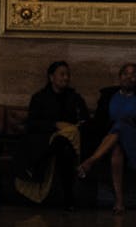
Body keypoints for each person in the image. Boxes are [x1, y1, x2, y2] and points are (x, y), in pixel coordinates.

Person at [77, 62, 136, 214]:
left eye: (133, 74)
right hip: (112, 140)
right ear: (120, 77)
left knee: (122, 126)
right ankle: (119, 201)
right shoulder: (108, 97)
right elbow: (99, 122)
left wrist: (133, 123)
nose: (129, 77)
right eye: (125, 74)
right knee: (117, 148)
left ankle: (90, 161)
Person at [14, 61, 89, 207]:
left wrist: (71, 128)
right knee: (62, 148)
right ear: (51, 77)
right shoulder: (40, 98)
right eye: (62, 74)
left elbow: (84, 120)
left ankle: (37, 164)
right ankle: (69, 198)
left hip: (70, 141)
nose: (66, 78)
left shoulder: (75, 98)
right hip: (44, 139)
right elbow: (33, 123)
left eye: (67, 74)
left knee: (65, 144)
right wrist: (55, 125)